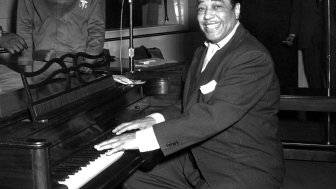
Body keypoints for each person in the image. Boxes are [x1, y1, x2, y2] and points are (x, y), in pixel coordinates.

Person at [95, 0, 284, 188]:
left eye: (217, 6)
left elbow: (213, 116)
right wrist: (156, 119)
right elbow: (191, 102)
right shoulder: (202, 51)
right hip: (196, 161)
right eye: (202, 8)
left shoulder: (251, 56)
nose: (207, 15)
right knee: (131, 177)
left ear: (236, 10)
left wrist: (141, 139)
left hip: (239, 168)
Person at [16, 0, 106, 74]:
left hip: (77, 65)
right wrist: (28, 69)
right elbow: (23, 26)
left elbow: (97, 26)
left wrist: (89, 61)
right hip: (41, 63)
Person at [283, 0, 325, 88]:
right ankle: (317, 97)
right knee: (312, 74)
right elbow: (296, 12)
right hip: (308, 37)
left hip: (329, 37)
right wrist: (292, 34)